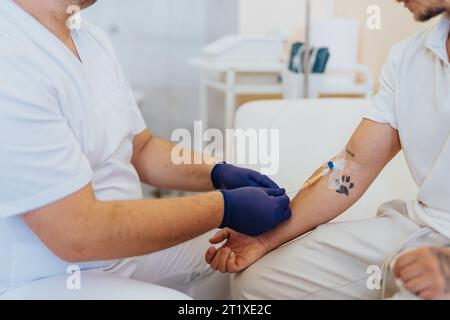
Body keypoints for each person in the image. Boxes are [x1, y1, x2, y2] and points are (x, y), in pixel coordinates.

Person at [0, 0, 292, 299]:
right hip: (50, 273)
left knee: (246, 251)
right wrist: (225, 206)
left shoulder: (91, 38)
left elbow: (141, 148)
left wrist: (217, 172)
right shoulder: (11, 59)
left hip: (121, 249)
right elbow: (77, 233)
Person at [206, 0, 450, 300]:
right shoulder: (410, 57)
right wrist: (266, 238)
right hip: (419, 224)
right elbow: (354, 166)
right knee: (259, 283)